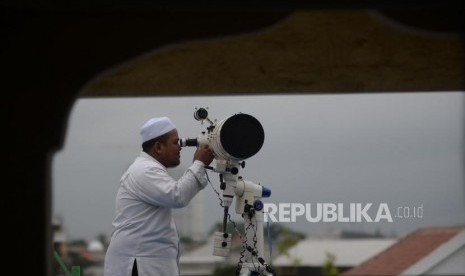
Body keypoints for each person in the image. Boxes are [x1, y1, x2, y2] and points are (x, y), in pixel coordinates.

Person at [103, 116, 214, 276]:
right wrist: (199, 163)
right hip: (139, 263)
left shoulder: (146, 169)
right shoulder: (144, 170)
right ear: (158, 147)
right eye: (175, 142)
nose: (180, 147)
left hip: (145, 262)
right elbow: (178, 196)